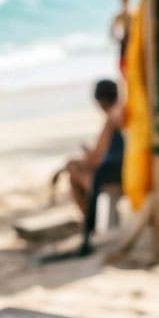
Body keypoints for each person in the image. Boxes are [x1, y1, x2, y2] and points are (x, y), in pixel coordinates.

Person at [59, 78, 126, 255]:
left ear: (101, 100)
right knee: (75, 167)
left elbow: (95, 159)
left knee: (73, 170)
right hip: (123, 172)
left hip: (117, 178)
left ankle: (89, 225)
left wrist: (83, 158)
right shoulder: (125, 114)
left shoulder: (112, 119)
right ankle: (91, 224)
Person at [110, 0, 132, 66]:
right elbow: (112, 30)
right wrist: (116, 38)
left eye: (125, 1)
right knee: (123, 63)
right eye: (123, 1)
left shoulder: (132, 14)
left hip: (131, 40)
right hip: (123, 41)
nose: (124, 3)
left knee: (130, 63)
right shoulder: (118, 16)